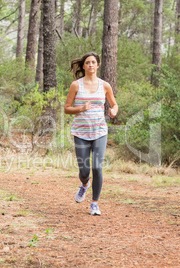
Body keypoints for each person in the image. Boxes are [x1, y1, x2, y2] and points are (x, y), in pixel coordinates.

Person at [64, 52, 118, 216]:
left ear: (98, 64)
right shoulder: (76, 85)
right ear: (83, 66)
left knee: (97, 167)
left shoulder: (105, 85)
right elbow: (67, 108)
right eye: (87, 62)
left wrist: (113, 110)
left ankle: (94, 204)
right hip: (81, 132)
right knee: (84, 170)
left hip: (100, 131)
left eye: (93, 62)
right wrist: (81, 108)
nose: (91, 65)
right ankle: (84, 184)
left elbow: (114, 104)